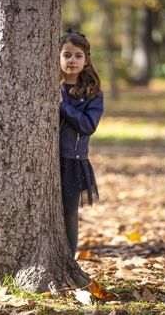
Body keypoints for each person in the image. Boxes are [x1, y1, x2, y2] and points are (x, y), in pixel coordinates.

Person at [59, 29, 104, 257]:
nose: (72, 60)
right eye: (67, 55)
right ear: (58, 57)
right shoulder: (46, 84)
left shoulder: (92, 92)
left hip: (72, 161)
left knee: (68, 212)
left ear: (86, 60)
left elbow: (88, 125)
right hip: (45, 160)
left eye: (78, 55)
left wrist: (62, 105)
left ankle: (68, 261)